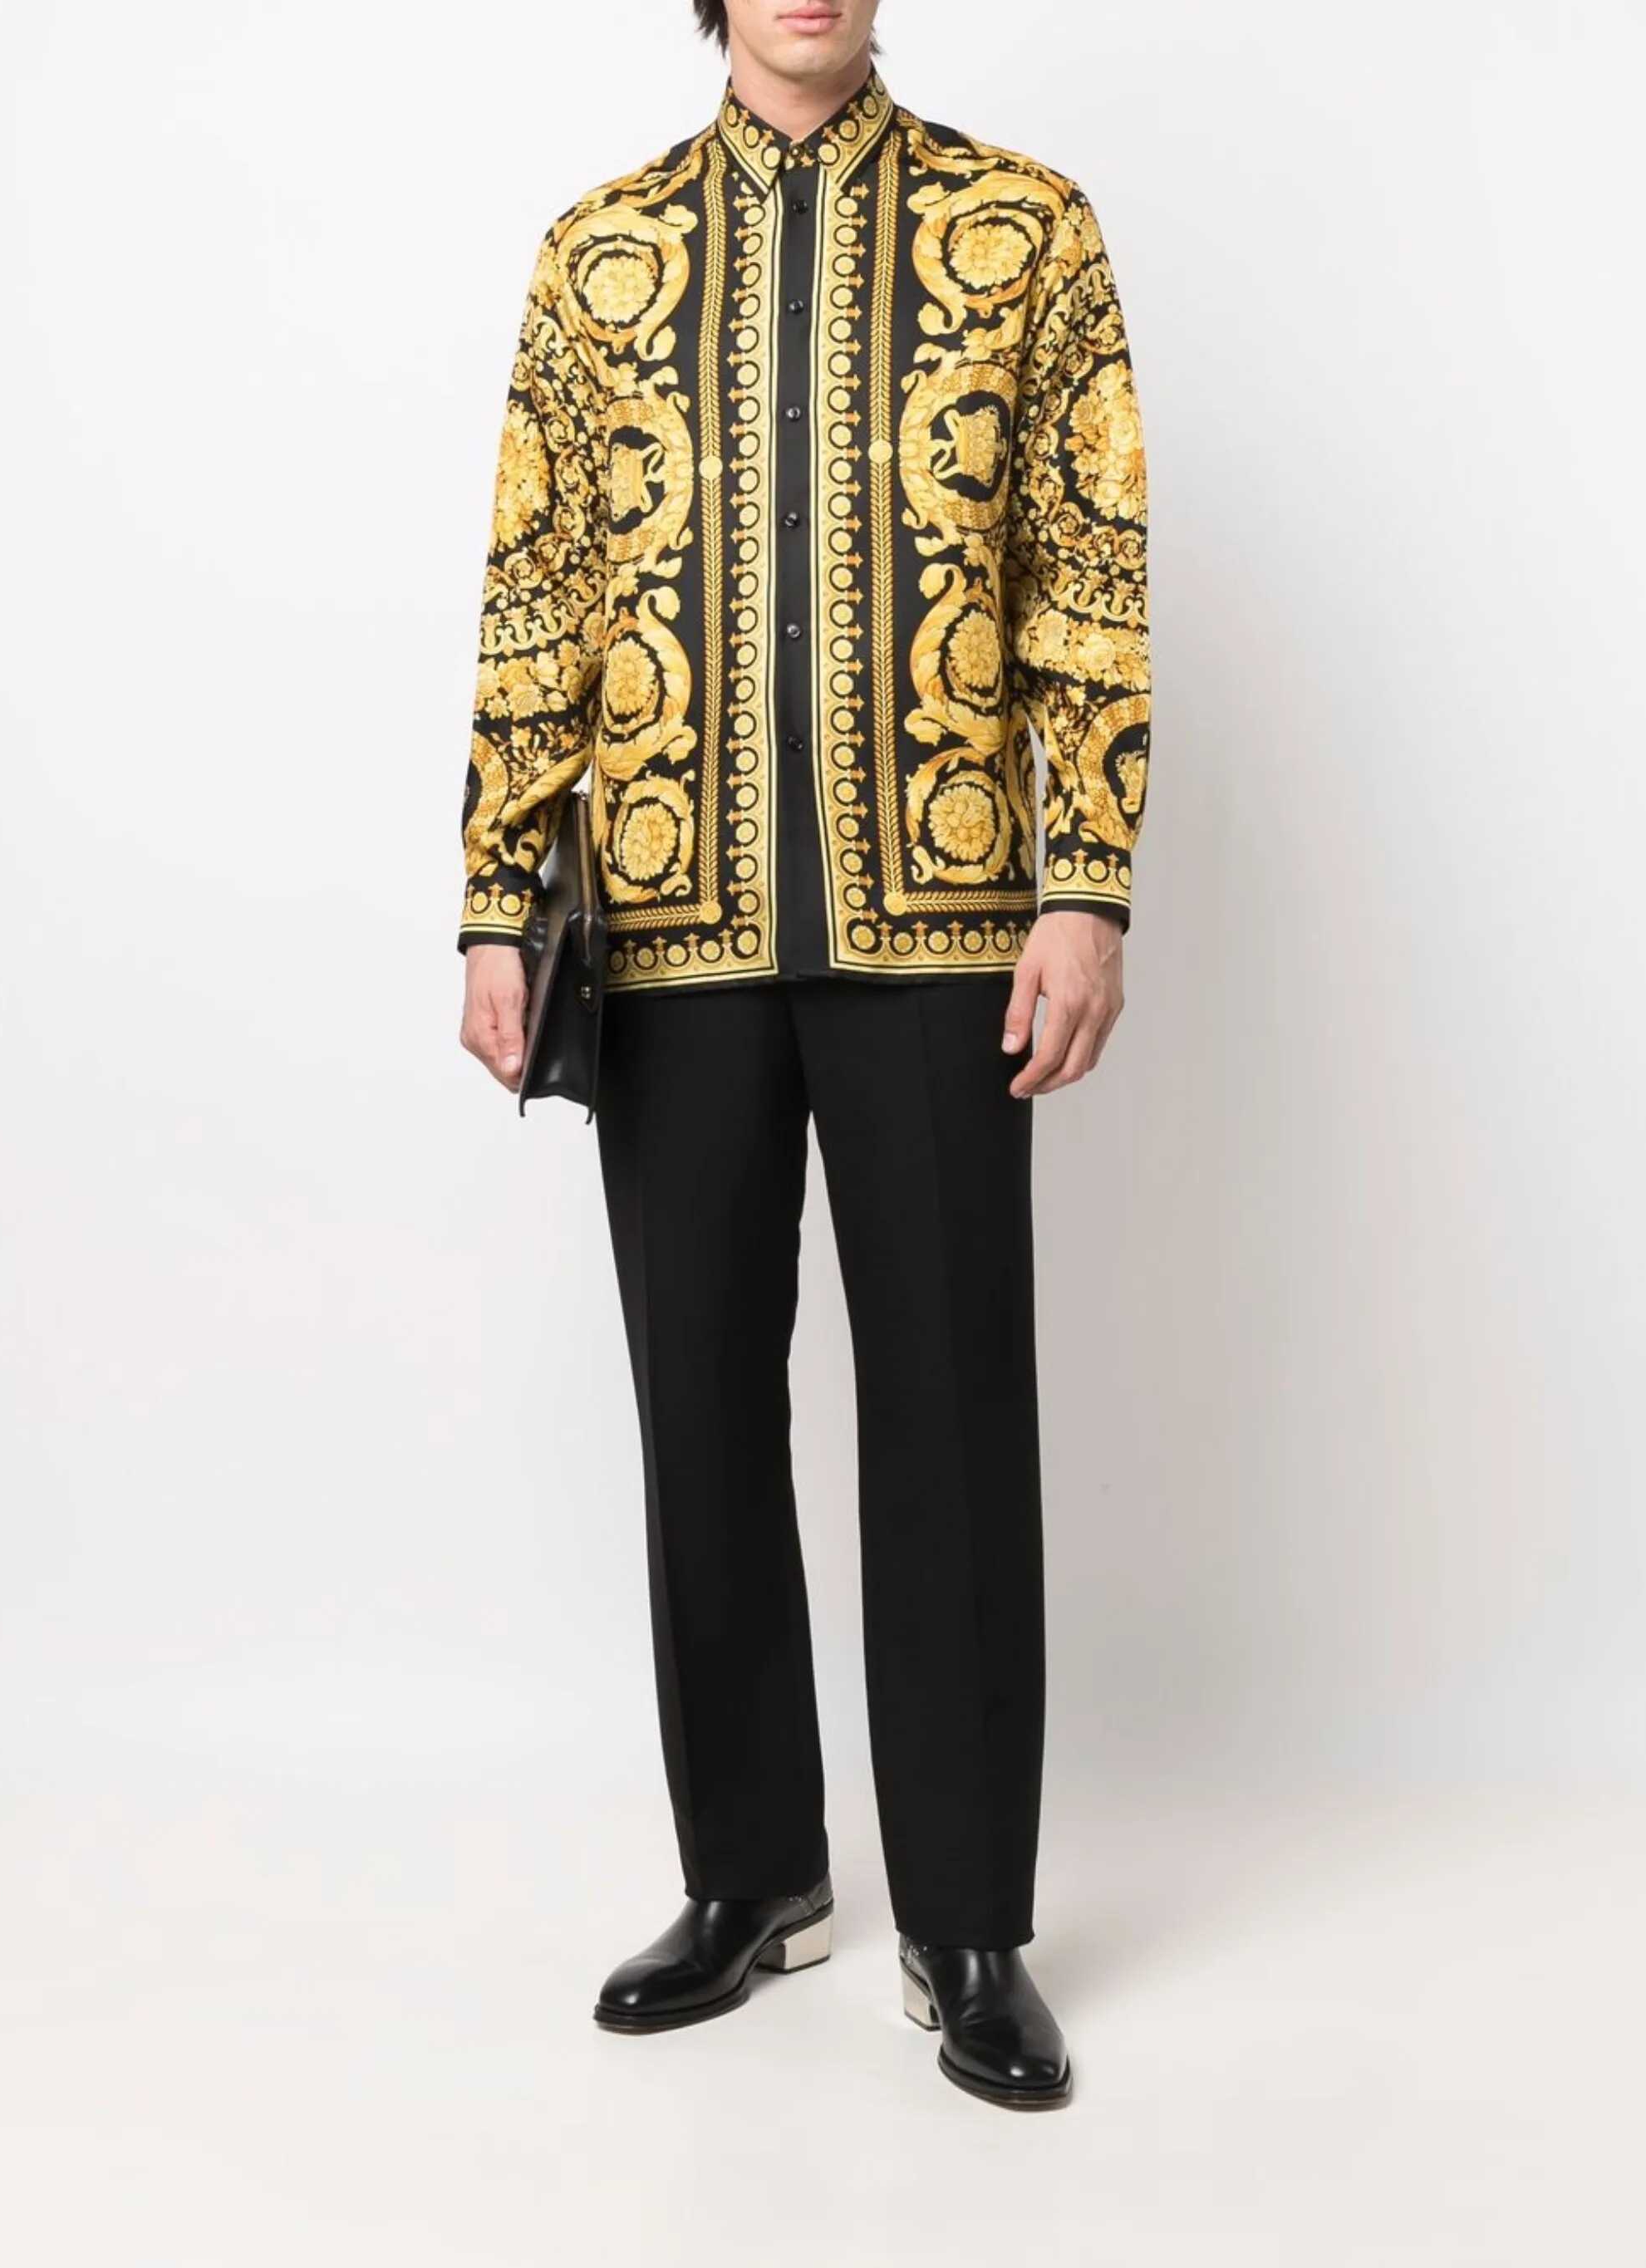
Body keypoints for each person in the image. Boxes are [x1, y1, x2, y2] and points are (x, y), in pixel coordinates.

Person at [456, 0, 1149, 2111]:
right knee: (698, 1407)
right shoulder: (598, 252)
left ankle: (968, 1922)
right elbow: (538, 585)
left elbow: (1087, 565)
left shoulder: (1024, 228)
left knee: (950, 1410)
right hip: (666, 927)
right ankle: (751, 1874)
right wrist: (496, 891)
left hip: (943, 922)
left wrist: (1086, 879)